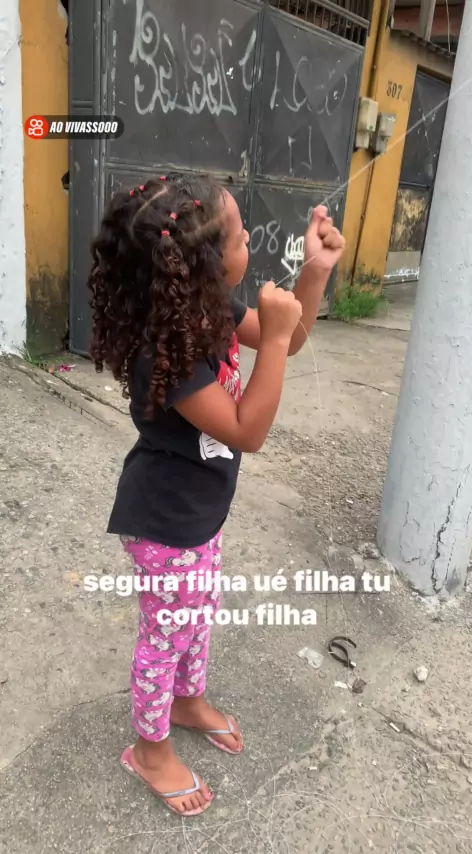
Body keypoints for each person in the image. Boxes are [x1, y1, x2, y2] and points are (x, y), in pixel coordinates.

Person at [87, 172, 345, 816]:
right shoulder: (164, 353)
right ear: (205, 263)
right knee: (166, 633)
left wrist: (314, 274)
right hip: (165, 522)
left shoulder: (209, 309)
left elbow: (291, 337)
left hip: (200, 515)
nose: (250, 236)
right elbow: (246, 430)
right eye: (238, 235)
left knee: (198, 615)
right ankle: (149, 750)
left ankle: (188, 701)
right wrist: (275, 338)